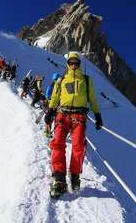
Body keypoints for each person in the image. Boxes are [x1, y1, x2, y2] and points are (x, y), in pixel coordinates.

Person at [45, 52, 103, 198]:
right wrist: (50, 111)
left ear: (79, 64)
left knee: (78, 146)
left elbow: (93, 99)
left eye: (76, 63)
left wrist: (97, 115)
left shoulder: (86, 80)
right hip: (62, 115)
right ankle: (59, 178)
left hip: (79, 116)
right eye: (71, 62)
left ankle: (75, 175)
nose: (73, 65)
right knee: (57, 143)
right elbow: (55, 97)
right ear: (67, 64)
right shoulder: (62, 80)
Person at [43, 73, 60, 138]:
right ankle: (47, 132)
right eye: (56, 79)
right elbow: (47, 95)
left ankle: (47, 130)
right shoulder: (51, 86)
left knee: (52, 119)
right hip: (50, 104)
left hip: (56, 106)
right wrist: (51, 99)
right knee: (49, 118)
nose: (57, 80)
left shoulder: (60, 86)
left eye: (57, 79)